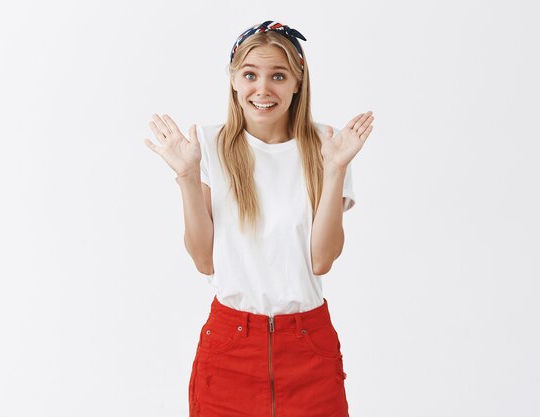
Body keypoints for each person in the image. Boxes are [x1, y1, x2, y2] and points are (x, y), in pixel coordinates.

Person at [144, 20, 374, 417]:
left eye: (278, 76)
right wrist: (185, 176)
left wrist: (335, 170)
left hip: (308, 344)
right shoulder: (208, 146)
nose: (263, 89)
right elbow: (204, 261)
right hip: (230, 346)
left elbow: (322, 260)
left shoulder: (327, 145)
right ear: (234, 80)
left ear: (298, 82)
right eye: (250, 74)